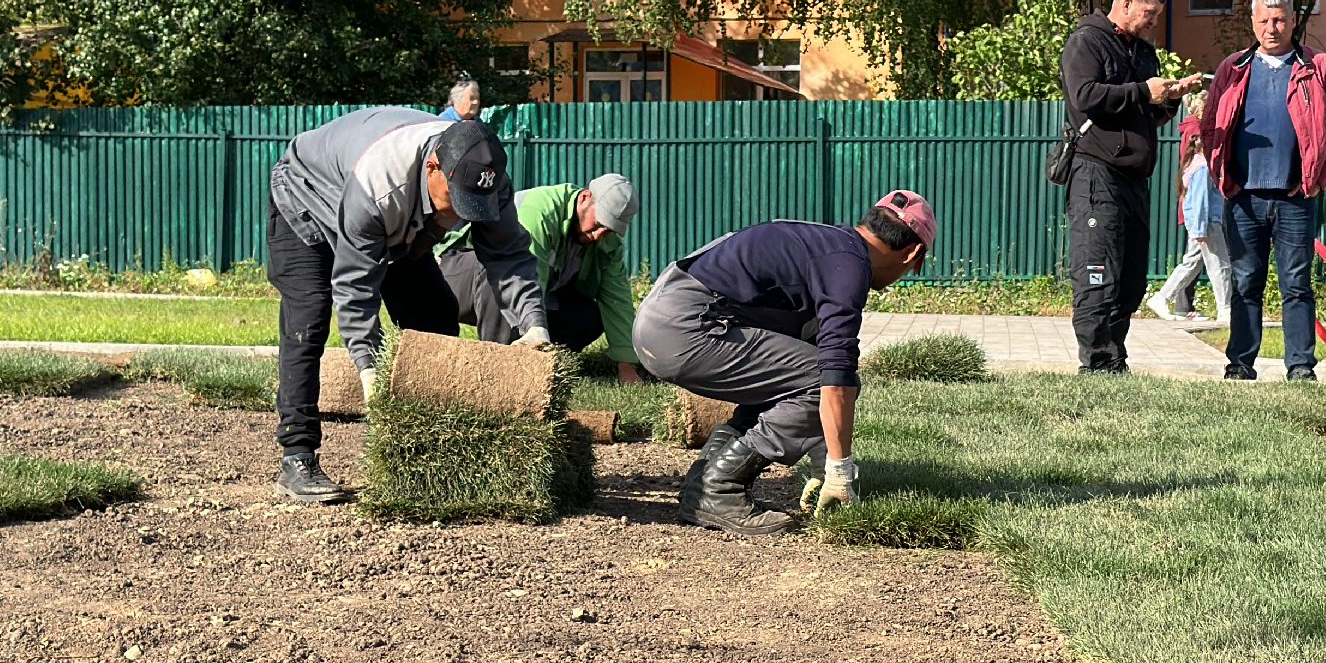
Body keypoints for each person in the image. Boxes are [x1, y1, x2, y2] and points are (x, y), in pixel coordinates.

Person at [266, 108, 551, 503]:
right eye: (456, 200)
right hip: (309, 197)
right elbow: (355, 286)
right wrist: (369, 368)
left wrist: (533, 324)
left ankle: (431, 453)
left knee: (433, 313)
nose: (458, 216)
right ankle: (297, 456)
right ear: (434, 166)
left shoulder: (487, 177)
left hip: (397, 222)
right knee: (309, 317)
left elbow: (509, 256)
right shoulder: (380, 182)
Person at [632, 191, 937, 536]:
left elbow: (808, 357)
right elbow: (834, 379)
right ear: (912, 253)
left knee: (794, 379)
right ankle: (718, 489)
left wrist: (822, 460)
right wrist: (839, 472)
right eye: (914, 266)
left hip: (664, 318)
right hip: (686, 327)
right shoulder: (849, 265)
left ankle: (700, 487)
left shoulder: (829, 247)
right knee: (823, 379)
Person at [1199, 0, 1326, 382]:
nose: (1272, 27)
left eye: (1280, 19)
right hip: (1244, 197)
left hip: (1296, 197)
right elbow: (1210, 125)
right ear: (1253, 23)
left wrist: (1319, 178)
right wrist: (1222, 177)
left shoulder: (1317, 66)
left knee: (1297, 284)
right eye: (1264, 21)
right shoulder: (1233, 69)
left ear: (1293, 20)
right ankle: (1240, 363)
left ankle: (1300, 365)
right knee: (1246, 282)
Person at [1059, 0, 1207, 373]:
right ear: (1126, 4)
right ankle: (1097, 364)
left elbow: (1144, 115)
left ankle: (1115, 357)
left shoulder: (1143, 52)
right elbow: (1085, 96)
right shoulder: (1086, 41)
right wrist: (1144, 91)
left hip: (1134, 178)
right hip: (1095, 173)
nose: (1152, 23)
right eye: (1148, 13)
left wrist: (1171, 99)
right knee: (1097, 272)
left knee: (1131, 277)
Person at [437, 174, 646, 384]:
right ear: (585, 198)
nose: (599, 234)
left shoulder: (608, 246)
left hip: (525, 296)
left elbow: (617, 301)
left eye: (609, 230)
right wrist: (536, 328)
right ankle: (498, 368)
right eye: (599, 223)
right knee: (500, 270)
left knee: (588, 316)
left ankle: (539, 359)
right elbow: (522, 281)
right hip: (454, 282)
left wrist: (626, 366)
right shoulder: (540, 212)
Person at [1147, 98, 1233, 323]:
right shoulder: (1203, 169)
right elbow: (1201, 200)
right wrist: (1201, 228)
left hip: (1201, 223)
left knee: (1192, 263)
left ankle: (1161, 297)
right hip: (1207, 223)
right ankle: (1226, 310)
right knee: (1220, 265)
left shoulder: (1195, 165)